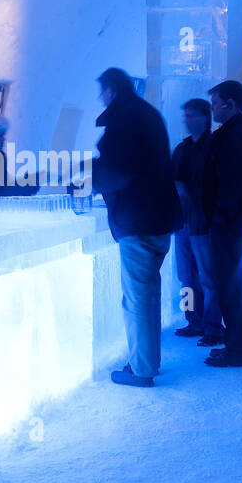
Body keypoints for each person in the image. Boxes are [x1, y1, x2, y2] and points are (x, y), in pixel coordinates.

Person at [92, 68, 182, 387]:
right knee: (148, 295)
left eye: (102, 91)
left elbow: (118, 170)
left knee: (137, 299)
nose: (100, 98)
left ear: (112, 90)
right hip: (158, 218)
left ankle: (142, 369)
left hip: (138, 220)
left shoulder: (125, 118)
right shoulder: (147, 114)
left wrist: (92, 177)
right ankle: (147, 361)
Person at [199, 79, 242, 368]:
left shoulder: (234, 137)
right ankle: (238, 345)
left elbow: (230, 186)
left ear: (230, 104)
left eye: (215, 103)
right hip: (234, 224)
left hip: (229, 226)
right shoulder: (241, 134)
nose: (212, 108)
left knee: (232, 287)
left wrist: (219, 217)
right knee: (234, 285)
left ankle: (238, 349)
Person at [171, 99, 223, 346]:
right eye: (186, 116)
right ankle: (194, 321)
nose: (187, 120)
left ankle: (211, 326)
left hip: (202, 221)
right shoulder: (183, 149)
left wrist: (184, 190)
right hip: (183, 221)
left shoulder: (213, 148)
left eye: (192, 115)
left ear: (205, 117)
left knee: (207, 277)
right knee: (186, 276)